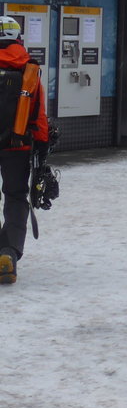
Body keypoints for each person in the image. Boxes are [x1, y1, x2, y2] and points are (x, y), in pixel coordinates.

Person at [0, 16, 49, 285]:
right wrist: (41, 144)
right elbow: (38, 115)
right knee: (16, 196)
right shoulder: (28, 68)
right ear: (18, 38)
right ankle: (7, 253)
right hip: (18, 145)